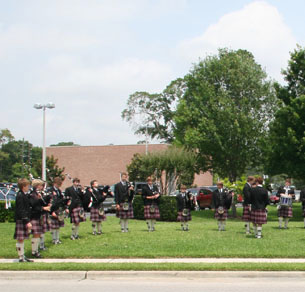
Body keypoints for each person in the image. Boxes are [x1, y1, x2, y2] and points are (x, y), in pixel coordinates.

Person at [29, 179, 50, 258]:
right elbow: (34, 206)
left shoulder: (37, 194)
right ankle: (34, 252)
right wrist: (43, 208)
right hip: (34, 216)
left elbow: (41, 203)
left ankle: (35, 250)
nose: (42, 187)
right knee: (36, 234)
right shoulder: (32, 195)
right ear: (37, 186)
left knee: (37, 234)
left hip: (38, 216)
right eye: (41, 185)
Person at [14, 178, 33, 262]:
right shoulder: (20, 196)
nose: (29, 187)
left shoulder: (24, 195)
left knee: (22, 238)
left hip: (23, 219)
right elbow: (21, 210)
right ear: (23, 186)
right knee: (20, 238)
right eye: (27, 185)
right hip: (21, 220)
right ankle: (21, 257)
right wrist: (27, 221)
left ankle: (22, 256)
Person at [49, 177, 68, 244]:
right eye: (58, 184)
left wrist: (65, 208)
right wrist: (51, 212)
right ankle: (53, 239)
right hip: (53, 210)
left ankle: (57, 239)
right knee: (54, 226)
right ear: (54, 183)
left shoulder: (59, 191)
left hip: (59, 209)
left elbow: (61, 201)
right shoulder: (51, 190)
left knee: (58, 226)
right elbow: (50, 202)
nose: (59, 185)